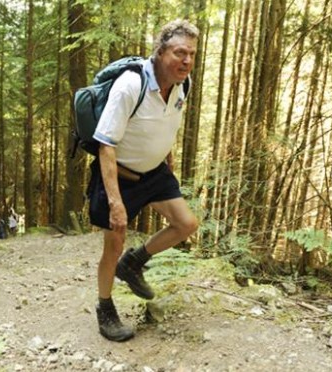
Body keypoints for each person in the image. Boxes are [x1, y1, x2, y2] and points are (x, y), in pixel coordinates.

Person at [87, 19, 200, 342]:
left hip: (155, 172)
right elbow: (105, 144)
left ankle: (134, 263)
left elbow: (167, 122)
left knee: (186, 223)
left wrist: (168, 157)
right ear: (161, 51)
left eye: (191, 54)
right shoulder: (130, 86)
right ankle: (105, 308)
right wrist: (115, 202)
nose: (186, 61)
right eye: (180, 53)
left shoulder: (183, 84)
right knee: (114, 242)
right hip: (119, 174)